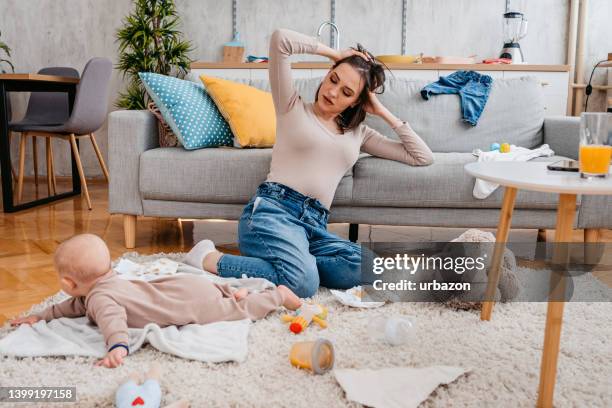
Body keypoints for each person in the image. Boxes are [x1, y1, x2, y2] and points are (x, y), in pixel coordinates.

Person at [183, 28, 434, 298]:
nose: (333, 92)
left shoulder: (359, 134)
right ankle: (210, 258)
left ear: (356, 102)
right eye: (333, 79)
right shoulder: (291, 106)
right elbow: (280, 40)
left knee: (370, 266)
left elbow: (421, 156)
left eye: (347, 92)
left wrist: (382, 111)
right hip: (272, 213)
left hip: (315, 227)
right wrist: (335, 54)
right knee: (303, 284)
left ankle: (290, 265)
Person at [10, 234, 302, 368]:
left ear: (69, 284)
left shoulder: (101, 299)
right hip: (184, 286)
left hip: (190, 304)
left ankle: (277, 295)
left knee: (236, 311)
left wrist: (118, 347)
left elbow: (113, 322)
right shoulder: (103, 287)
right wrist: (44, 315)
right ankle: (233, 290)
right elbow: (75, 306)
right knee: (219, 294)